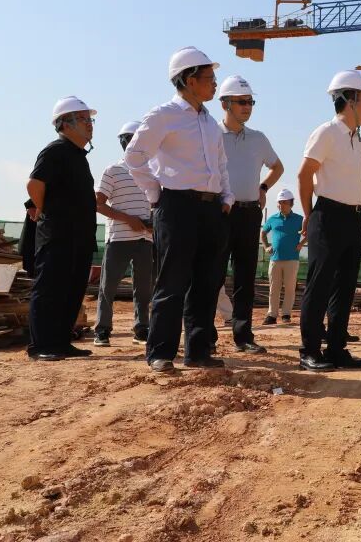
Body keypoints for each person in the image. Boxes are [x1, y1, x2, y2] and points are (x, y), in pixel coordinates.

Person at [125, 47, 234, 373]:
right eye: (209, 78)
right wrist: (155, 193)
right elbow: (135, 156)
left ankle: (198, 352)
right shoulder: (164, 115)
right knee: (171, 282)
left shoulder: (210, 122)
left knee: (206, 283)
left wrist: (226, 197)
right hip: (176, 207)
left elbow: (221, 164)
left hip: (211, 209)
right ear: (189, 80)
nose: (214, 84)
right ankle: (160, 352)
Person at [296, 70, 361, 371]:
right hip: (327, 216)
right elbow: (304, 175)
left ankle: (336, 349)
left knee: (345, 287)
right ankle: (309, 351)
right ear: (350, 100)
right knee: (319, 285)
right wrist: (309, 215)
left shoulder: (360, 141)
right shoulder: (326, 132)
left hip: (354, 217)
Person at [25, 96, 98, 361]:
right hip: (57, 235)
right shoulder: (55, 150)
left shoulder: (79, 157)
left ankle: (61, 342)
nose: (89, 124)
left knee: (72, 290)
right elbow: (34, 185)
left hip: (80, 237)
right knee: (50, 289)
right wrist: (46, 211)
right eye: (83, 119)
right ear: (64, 124)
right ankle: (41, 345)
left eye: (90, 119)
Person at [215, 74, 284, 354]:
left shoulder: (258, 138)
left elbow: (277, 167)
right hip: (219, 214)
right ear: (224, 104)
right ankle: (204, 337)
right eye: (241, 102)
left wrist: (263, 187)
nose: (247, 107)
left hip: (249, 214)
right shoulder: (211, 135)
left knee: (245, 278)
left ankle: (243, 336)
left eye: (250, 102)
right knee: (211, 275)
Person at [93, 121, 154, 347]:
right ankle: (102, 330)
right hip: (119, 238)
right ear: (124, 142)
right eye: (130, 139)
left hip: (146, 239)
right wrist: (129, 219)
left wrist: (153, 223)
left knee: (144, 288)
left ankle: (141, 328)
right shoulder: (113, 171)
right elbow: (98, 204)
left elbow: (157, 204)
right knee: (108, 286)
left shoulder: (153, 173)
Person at [262, 189, 304, 324]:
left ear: (291, 203)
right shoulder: (272, 219)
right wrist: (266, 246)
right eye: (279, 202)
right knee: (274, 288)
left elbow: (309, 231)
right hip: (275, 259)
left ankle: (286, 314)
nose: (281, 205)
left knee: (290, 288)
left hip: (292, 259)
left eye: (284, 202)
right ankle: (272, 315)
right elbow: (263, 233)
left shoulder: (299, 219)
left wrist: (301, 244)